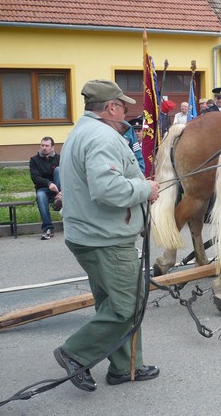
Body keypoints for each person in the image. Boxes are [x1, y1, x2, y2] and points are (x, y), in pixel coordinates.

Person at [56, 79, 160, 392]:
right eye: (124, 107)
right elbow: (107, 189)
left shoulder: (84, 131)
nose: (127, 113)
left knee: (114, 304)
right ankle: (75, 353)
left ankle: (125, 368)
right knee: (127, 307)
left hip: (92, 236)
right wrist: (146, 188)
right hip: (106, 240)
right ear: (111, 107)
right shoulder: (101, 137)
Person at [29, 136, 62, 240]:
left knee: (58, 169)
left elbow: (68, 174)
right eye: (42, 145)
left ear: (52, 147)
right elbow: (35, 177)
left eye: (47, 145)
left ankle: (59, 197)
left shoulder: (59, 158)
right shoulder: (34, 160)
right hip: (44, 189)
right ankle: (48, 228)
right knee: (40, 195)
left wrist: (62, 190)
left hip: (60, 189)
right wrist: (49, 184)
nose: (44, 148)